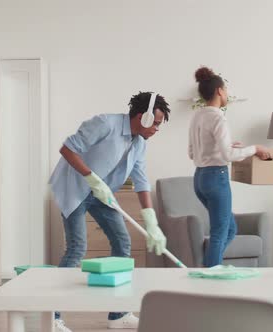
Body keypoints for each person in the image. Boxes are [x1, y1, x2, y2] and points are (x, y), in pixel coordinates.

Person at [49, 91, 171, 331]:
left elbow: (141, 180)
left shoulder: (139, 144)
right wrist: (91, 178)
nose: (157, 129)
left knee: (122, 243)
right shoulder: (106, 124)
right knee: (77, 248)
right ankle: (52, 317)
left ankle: (118, 314)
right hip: (74, 188)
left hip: (102, 194)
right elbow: (67, 149)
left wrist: (151, 221)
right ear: (143, 117)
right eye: (155, 123)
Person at [188, 66, 271, 268]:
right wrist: (255, 148)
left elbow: (193, 152)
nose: (227, 94)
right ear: (219, 91)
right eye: (226, 89)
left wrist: (220, 148)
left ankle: (209, 265)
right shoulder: (218, 117)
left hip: (199, 179)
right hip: (216, 178)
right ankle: (210, 278)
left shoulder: (197, 116)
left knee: (230, 229)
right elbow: (229, 156)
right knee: (219, 233)